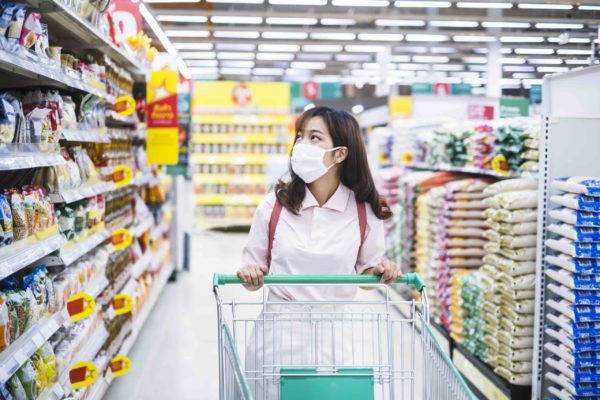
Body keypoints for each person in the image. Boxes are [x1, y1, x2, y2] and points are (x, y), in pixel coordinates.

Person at [237, 106, 401, 399]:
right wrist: (251, 275)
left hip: (337, 337)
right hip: (279, 334)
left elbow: (366, 275)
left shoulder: (364, 211)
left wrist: (379, 271)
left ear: (340, 153)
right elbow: (253, 265)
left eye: (315, 138)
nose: (302, 145)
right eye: (300, 136)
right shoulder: (274, 205)